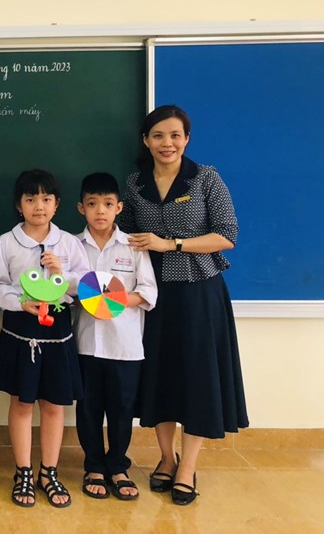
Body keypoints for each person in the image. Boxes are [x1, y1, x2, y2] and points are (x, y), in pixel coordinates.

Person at [120, 104, 247, 506]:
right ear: (146, 140)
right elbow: (123, 235)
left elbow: (227, 235)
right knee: (159, 375)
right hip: (151, 294)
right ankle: (166, 457)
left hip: (198, 293)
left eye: (175, 135)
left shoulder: (206, 177)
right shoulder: (135, 184)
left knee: (196, 377)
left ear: (186, 139)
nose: (167, 143)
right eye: (158, 135)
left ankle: (188, 468)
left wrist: (170, 243)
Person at [0, 169, 90, 509]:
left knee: (54, 404)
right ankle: (23, 472)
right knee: (21, 402)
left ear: (57, 204)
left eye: (46, 199)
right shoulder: (5, 243)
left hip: (58, 331)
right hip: (21, 328)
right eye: (30, 199)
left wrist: (62, 273)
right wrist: (20, 302)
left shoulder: (69, 243)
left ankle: (49, 471)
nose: (39, 206)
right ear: (19, 205)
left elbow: (86, 285)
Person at [74, 172, 157, 501]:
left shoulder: (133, 246)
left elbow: (148, 292)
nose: (100, 211)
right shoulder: (72, 246)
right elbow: (67, 289)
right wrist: (83, 297)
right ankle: (94, 466)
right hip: (87, 343)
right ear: (81, 208)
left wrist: (113, 299)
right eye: (92, 204)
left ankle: (119, 466)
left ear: (119, 207)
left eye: (108, 204)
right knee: (89, 408)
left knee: (122, 408)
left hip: (125, 345)